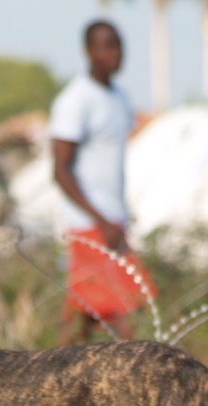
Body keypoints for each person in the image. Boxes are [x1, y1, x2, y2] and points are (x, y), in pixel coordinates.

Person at [50, 20, 156, 345]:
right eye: (106, 45)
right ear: (88, 51)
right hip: (89, 225)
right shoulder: (75, 100)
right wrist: (101, 221)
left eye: (118, 44)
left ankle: (54, 379)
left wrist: (118, 218)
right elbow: (61, 171)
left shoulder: (120, 98)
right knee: (126, 309)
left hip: (113, 221)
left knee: (91, 312)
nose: (115, 53)